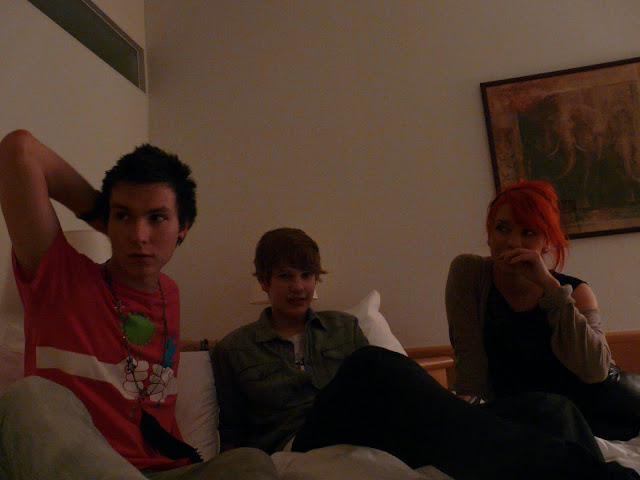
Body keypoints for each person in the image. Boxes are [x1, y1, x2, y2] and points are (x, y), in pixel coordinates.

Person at [213, 227, 640, 480]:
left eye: (307, 275)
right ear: (264, 281)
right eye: (285, 276)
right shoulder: (235, 347)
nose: (298, 287)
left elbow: (383, 397)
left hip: (369, 428)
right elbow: (231, 435)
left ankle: (586, 472)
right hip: (304, 437)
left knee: (551, 408)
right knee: (371, 364)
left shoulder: (342, 326)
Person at [0, 130, 277, 480]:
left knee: (251, 463)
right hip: (77, 466)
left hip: (161, 470)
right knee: (27, 397)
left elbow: (125, 350)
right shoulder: (57, 276)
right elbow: (19, 150)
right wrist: (99, 213)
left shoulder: (169, 294)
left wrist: (204, 345)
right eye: (124, 216)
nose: (138, 235)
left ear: (183, 228)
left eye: (156, 218)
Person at [446, 179, 640, 442]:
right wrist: (467, 418)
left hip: (605, 401)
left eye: (529, 233)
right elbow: (470, 364)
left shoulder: (576, 291)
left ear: (546, 242)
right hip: (539, 413)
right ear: (489, 233)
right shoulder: (470, 275)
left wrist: (550, 289)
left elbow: (596, 371)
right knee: (552, 413)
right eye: (502, 228)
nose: (512, 242)